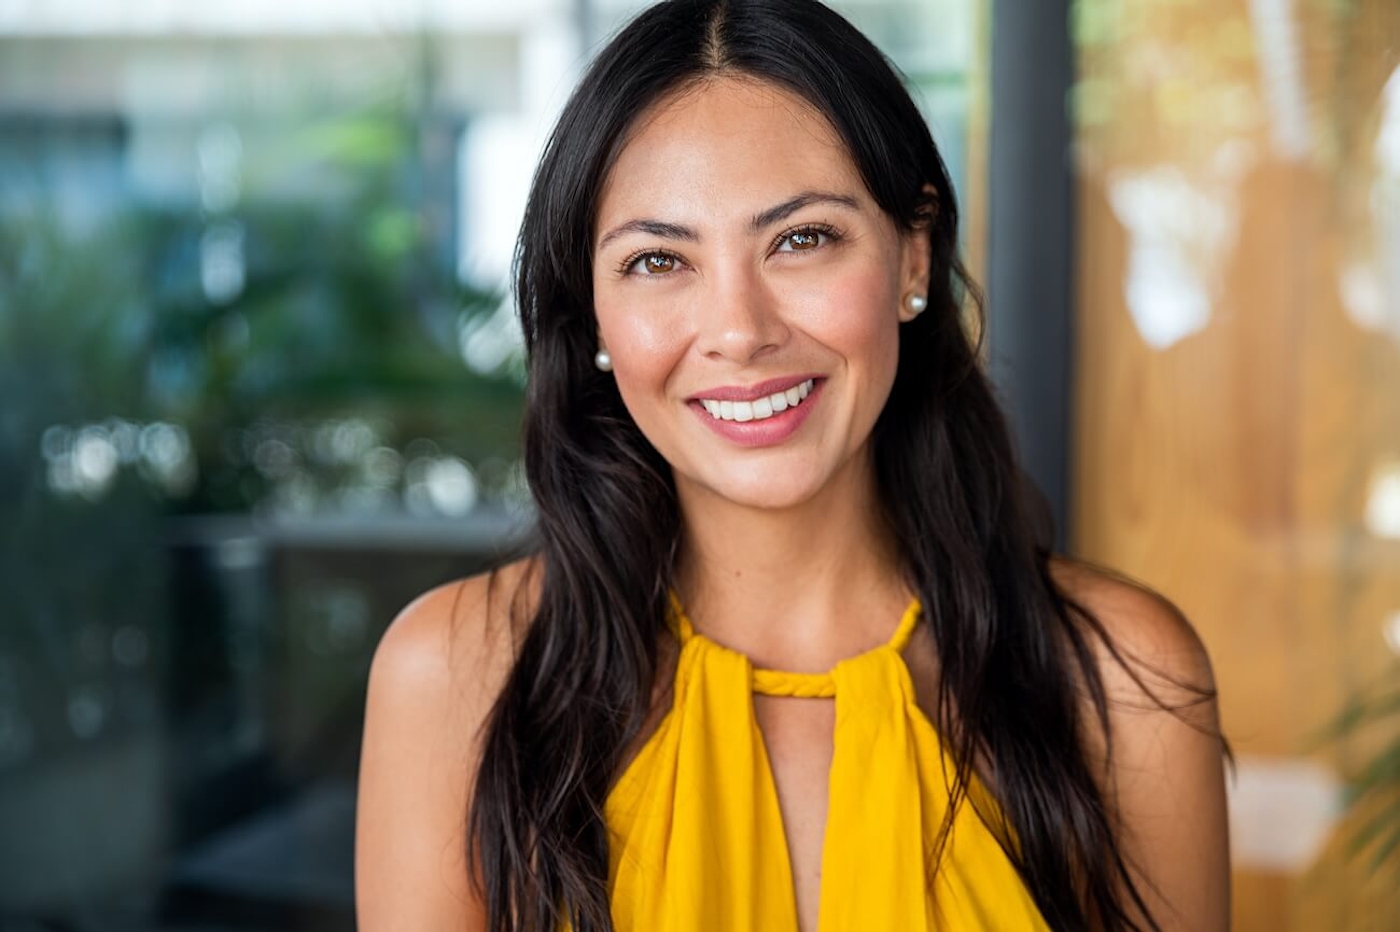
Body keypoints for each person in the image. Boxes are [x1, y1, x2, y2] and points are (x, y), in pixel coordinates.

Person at [354, 0, 1231, 929]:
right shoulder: (455, 678)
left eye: (802, 239)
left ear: (912, 258)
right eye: (658, 260)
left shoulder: (1121, 681)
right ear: (595, 313)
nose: (740, 331)